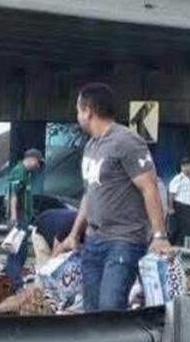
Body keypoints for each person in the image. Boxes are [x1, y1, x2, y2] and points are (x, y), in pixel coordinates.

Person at [56, 83, 171, 312]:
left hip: (123, 240)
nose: (77, 115)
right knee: (91, 311)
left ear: (88, 111)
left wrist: (159, 235)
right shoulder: (91, 146)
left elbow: (150, 187)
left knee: (110, 309)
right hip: (93, 240)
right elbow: (90, 194)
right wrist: (73, 235)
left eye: (78, 110)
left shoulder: (127, 141)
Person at [3, 148, 44, 291]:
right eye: (38, 163)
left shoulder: (26, 174)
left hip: (22, 216)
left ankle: (9, 278)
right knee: (17, 250)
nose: (38, 167)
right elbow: (14, 194)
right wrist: (14, 216)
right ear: (32, 159)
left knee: (21, 250)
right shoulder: (20, 171)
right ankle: (14, 283)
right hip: (18, 216)